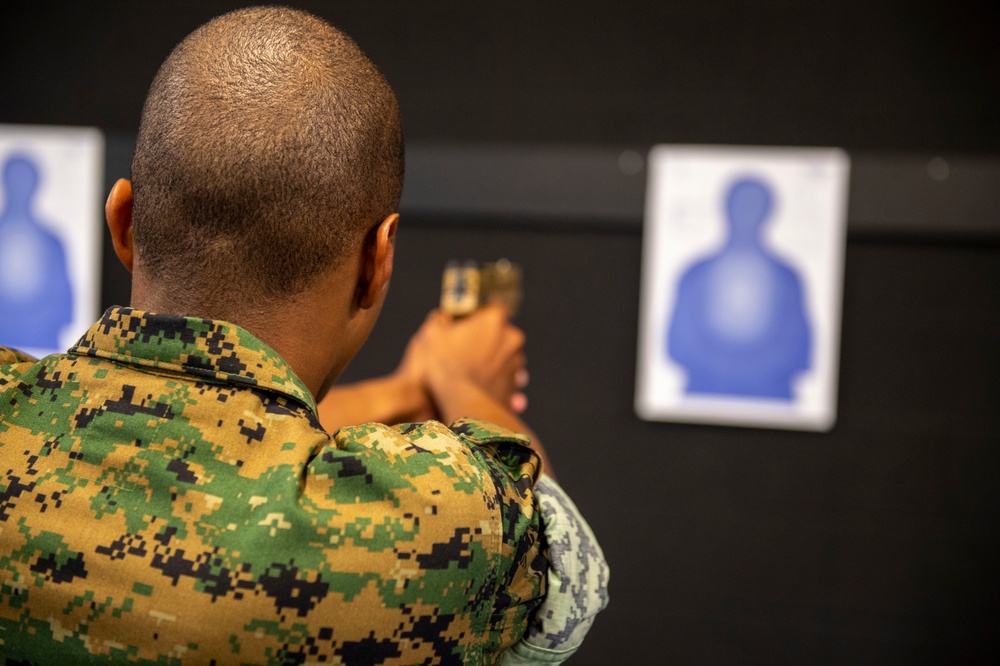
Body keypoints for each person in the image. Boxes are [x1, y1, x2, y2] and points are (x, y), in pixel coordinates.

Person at [0, 6, 606, 665]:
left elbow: (216, 430)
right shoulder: (420, 533)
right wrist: (461, 380)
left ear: (123, 221)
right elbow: (567, 561)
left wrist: (406, 388)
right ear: (380, 261)